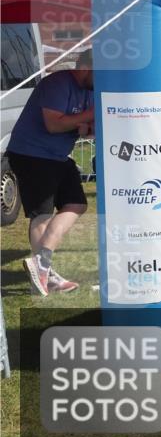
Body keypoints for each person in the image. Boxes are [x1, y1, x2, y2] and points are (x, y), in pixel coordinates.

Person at [8, 52, 95, 296]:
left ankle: (41, 266)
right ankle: (44, 274)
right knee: (42, 215)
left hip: (57, 156)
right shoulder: (57, 83)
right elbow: (54, 124)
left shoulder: (89, 90)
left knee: (76, 203)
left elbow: (86, 128)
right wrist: (86, 117)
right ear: (87, 68)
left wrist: (84, 123)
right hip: (31, 154)